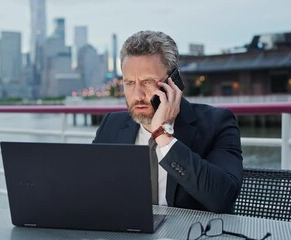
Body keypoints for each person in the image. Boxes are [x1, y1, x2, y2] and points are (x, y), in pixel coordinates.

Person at [93, 30, 243, 213]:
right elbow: (92, 188)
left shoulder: (217, 123)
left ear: (173, 82)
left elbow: (222, 198)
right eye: (129, 83)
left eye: (148, 82)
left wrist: (163, 136)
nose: (137, 95)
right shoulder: (112, 124)